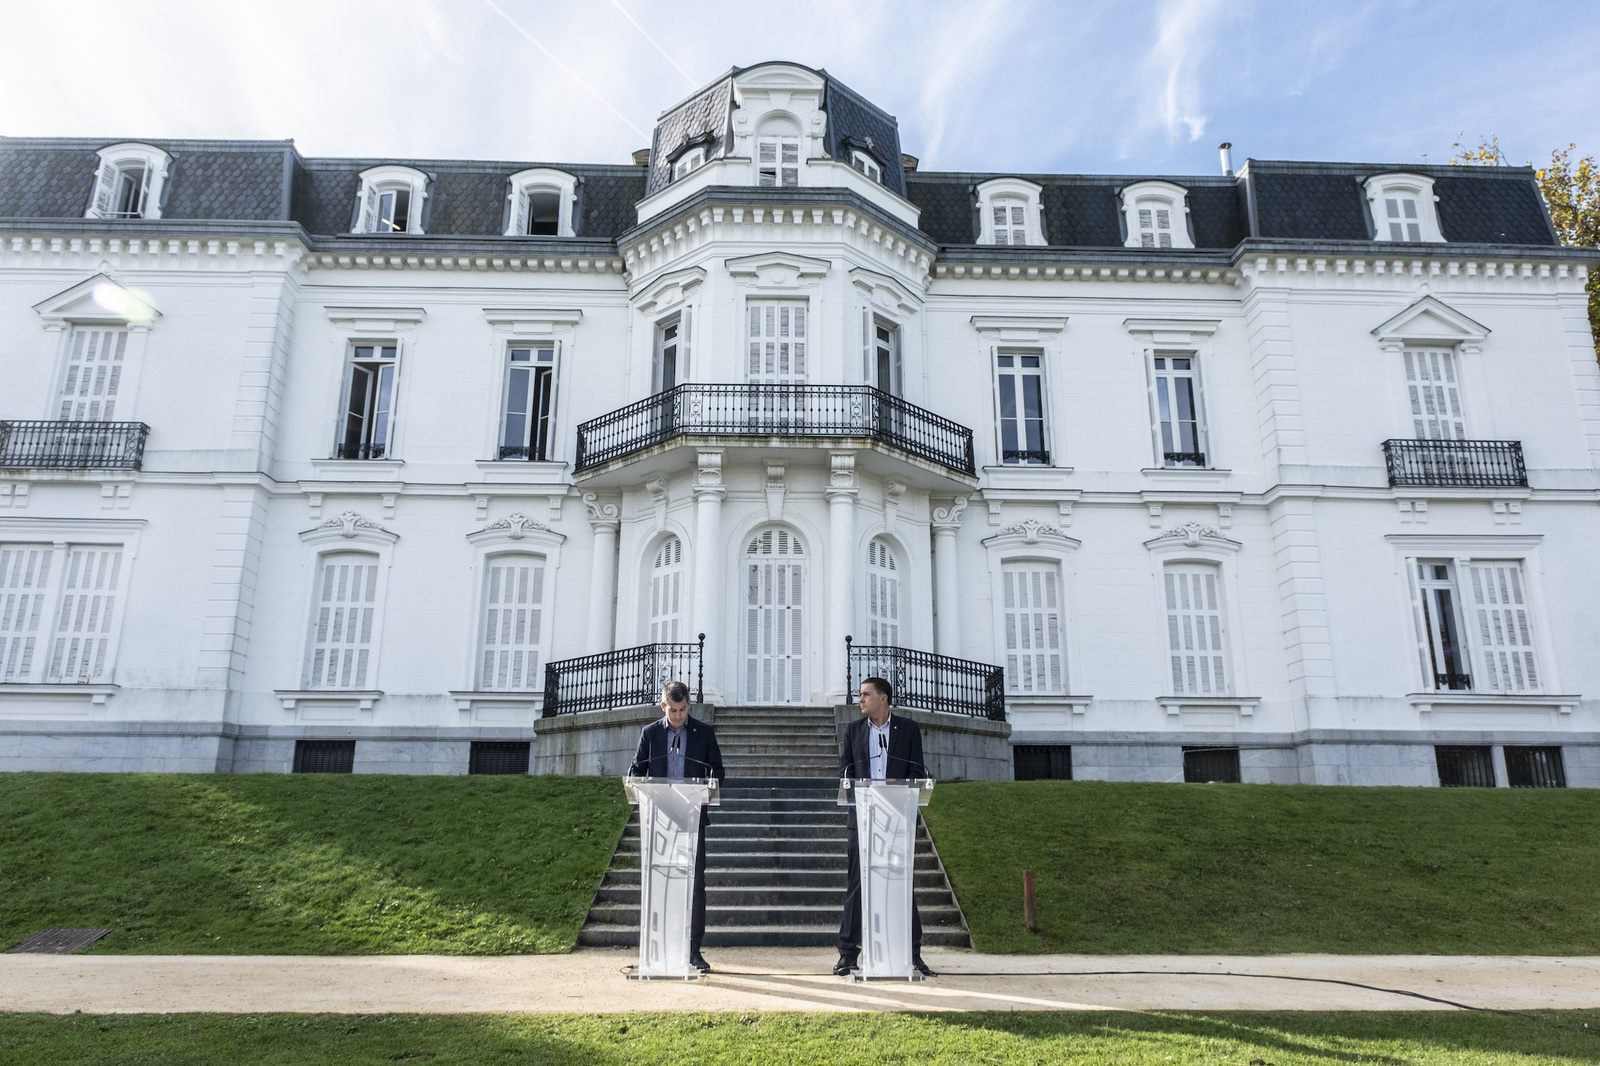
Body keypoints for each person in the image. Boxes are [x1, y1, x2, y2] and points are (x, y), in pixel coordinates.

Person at [834, 675, 933, 977]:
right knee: (857, 885)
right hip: (862, 819)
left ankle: (912, 955)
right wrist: (861, 793)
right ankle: (848, 955)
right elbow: (845, 776)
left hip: (897, 818)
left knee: (903, 885)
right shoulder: (853, 731)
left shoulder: (908, 730)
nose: (860, 700)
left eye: (865, 695)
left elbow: (917, 772)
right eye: (860, 695)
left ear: (883, 698)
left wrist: (897, 788)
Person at [629, 679, 724, 974]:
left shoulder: (704, 732)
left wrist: (709, 787)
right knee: (661, 883)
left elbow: (718, 771)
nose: (679, 716)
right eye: (673, 710)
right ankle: (661, 946)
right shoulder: (650, 734)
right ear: (663, 706)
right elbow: (637, 768)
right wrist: (635, 780)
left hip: (692, 816)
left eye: (683, 710)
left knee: (695, 886)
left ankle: (693, 949)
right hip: (659, 819)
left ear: (689, 706)